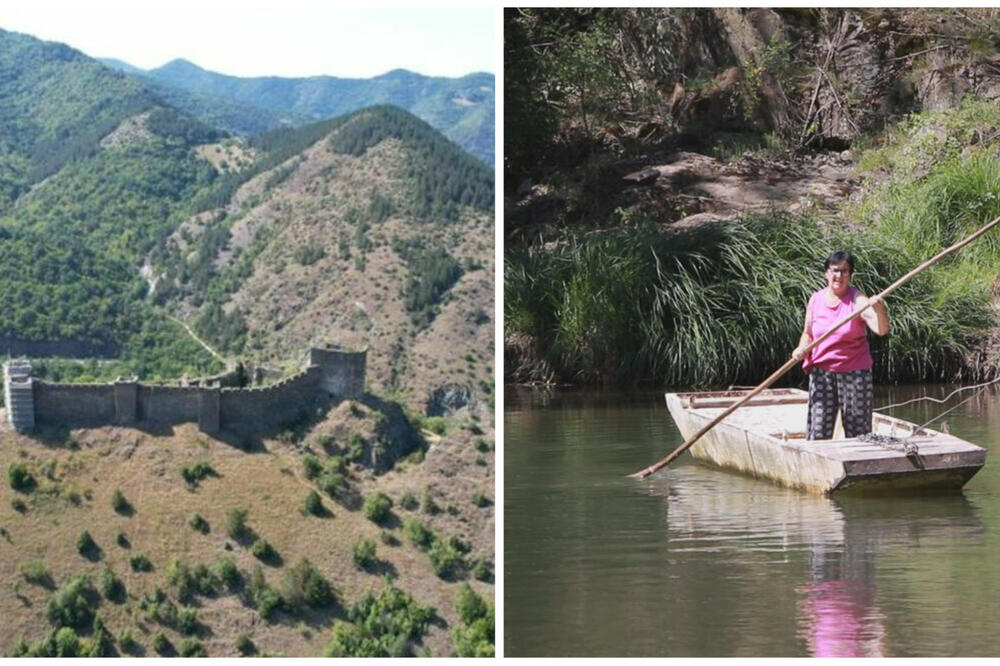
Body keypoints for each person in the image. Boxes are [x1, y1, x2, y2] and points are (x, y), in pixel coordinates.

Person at [791, 251, 890, 440]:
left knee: (858, 432)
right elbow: (808, 333)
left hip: (854, 374)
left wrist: (879, 309)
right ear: (826, 273)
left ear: (850, 275)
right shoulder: (816, 299)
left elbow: (881, 329)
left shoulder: (858, 300)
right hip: (821, 373)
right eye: (835, 271)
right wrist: (801, 348)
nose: (839, 276)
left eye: (845, 272)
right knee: (818, 430)